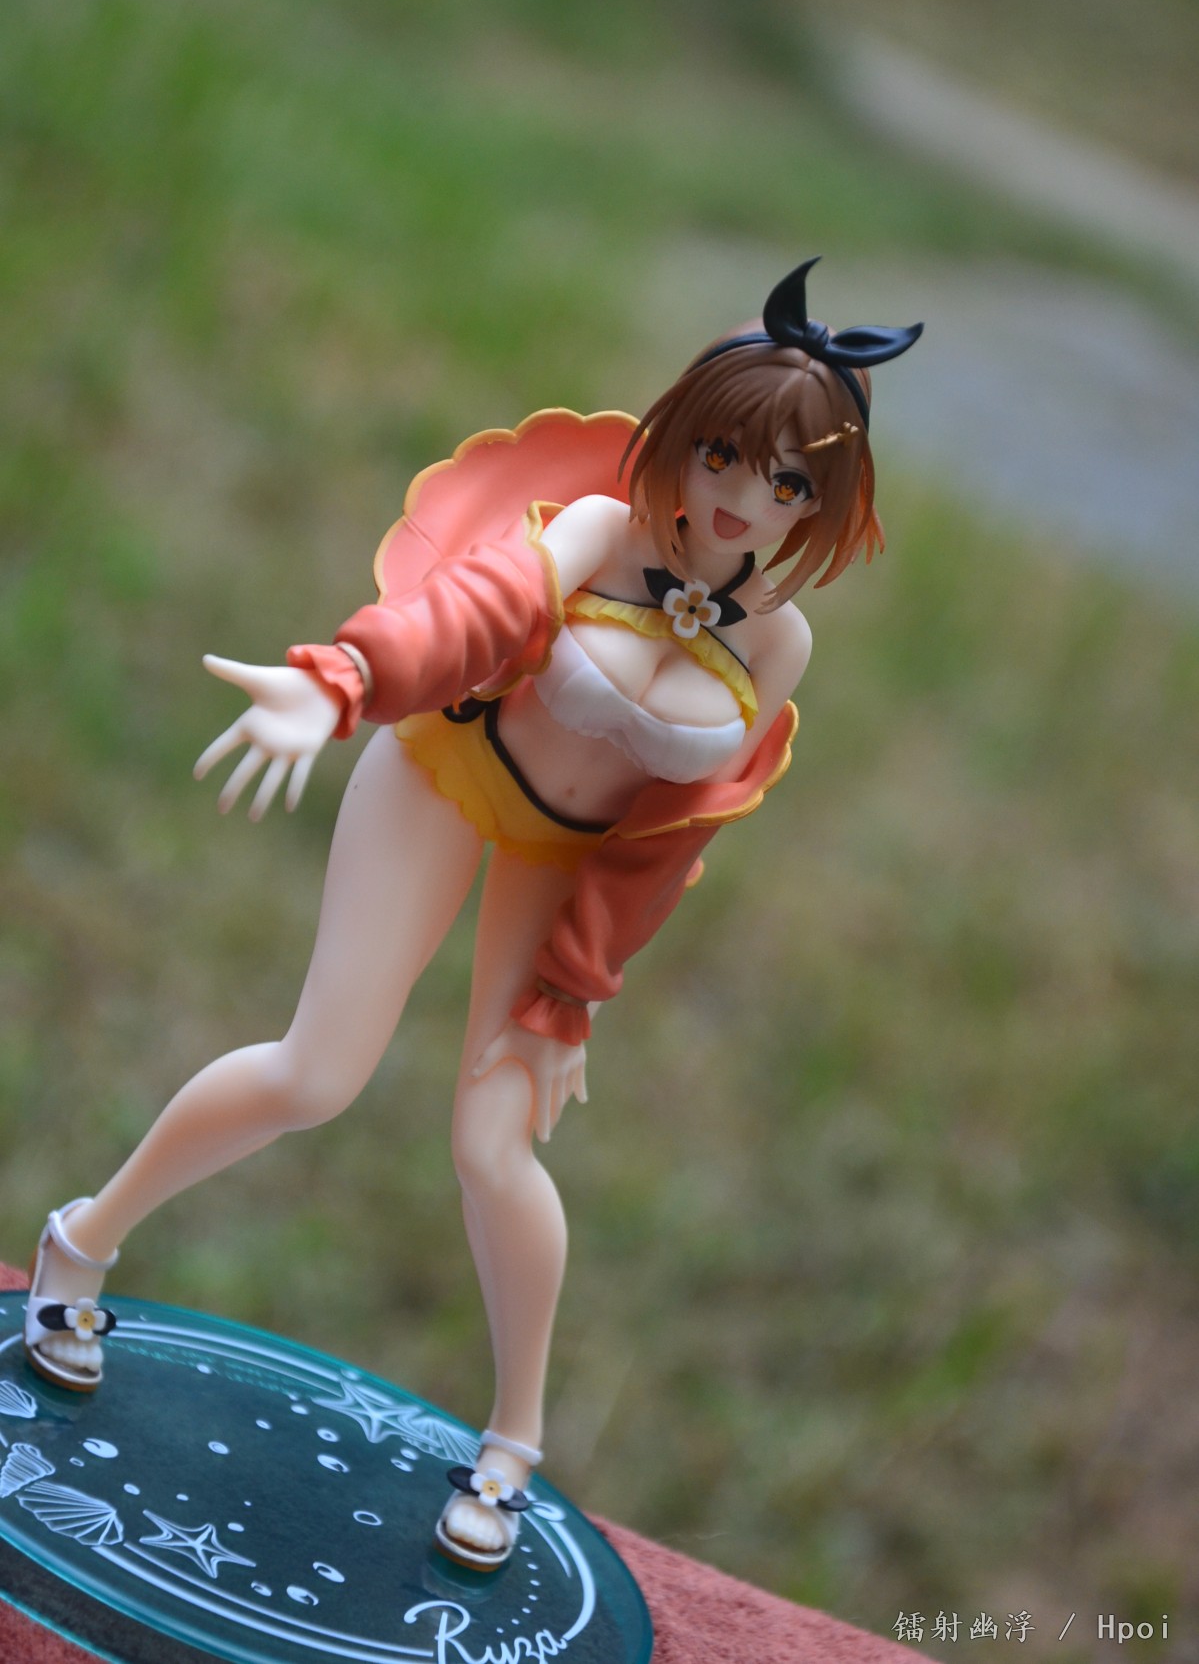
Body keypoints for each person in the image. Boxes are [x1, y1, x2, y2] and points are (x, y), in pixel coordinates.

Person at [24, 259, 921, 1570]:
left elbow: (670, 838)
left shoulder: (778, 645)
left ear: (824, 504)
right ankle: (80, 1242)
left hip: (564, 861)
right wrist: (344, 680)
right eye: (725, 454)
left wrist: (573, 991)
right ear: (682, 431)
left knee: (497, 1145)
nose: (744, 497)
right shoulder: (602, 533)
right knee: (318, 1072)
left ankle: (511, 1445)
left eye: (788, 483)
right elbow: (477, 608)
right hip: (444, 777)